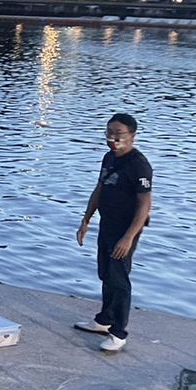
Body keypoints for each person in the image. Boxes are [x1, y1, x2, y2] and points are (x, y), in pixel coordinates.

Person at [75, 113, 153, 353]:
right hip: (107, 224)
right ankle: (104, 319)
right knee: (105, 273)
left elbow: (144, 205)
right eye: (109, 134)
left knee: (119, 278)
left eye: (118, 135)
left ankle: (119, 332)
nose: (112, 139)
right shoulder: (109, 158)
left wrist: (129, 237)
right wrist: (86, 219)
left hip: (125, 229)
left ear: (132, 136)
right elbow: (100, 188)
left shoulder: (138, 165)